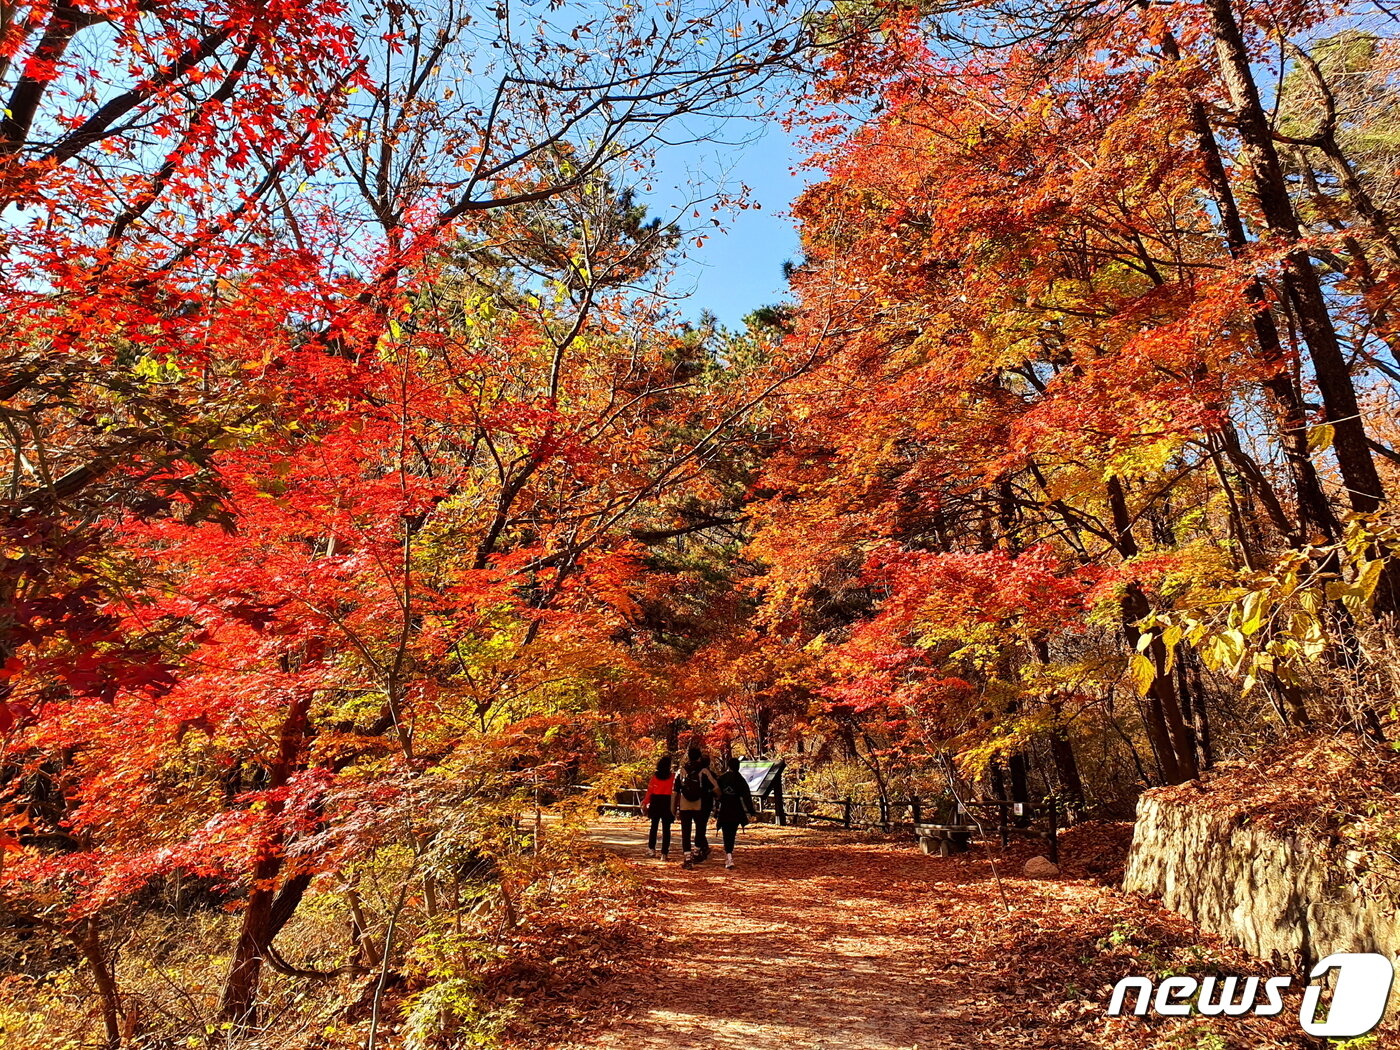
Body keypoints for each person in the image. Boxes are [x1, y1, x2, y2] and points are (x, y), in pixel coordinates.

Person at [675, 746, 719, 866]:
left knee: (686, 831)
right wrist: (719, 798)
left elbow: (675, 792)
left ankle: (687, 857)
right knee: (700, 829)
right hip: (698, 805)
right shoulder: (704, 771)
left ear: (688, 757)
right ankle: (696, 852)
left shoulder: (681, 771)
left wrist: (672, 808)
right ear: (699, 757)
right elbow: (715, 787)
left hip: (684, 805)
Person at [714, 756, 756, 869]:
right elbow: (746, 796)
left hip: (724, 809)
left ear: (728, 766)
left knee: (726, 832)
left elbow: (716, 793)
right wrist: (751, 811)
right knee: (732, 833)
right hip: (736, 810)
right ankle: (729, 854)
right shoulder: (740, 779)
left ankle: (728, 855)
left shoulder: (722, 778)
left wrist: (716, 808)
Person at [640, 755, 675, 859]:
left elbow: (650, 791)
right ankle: (664, 853)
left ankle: (651, 849)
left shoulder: (655, 777)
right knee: (666, 829)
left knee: (654, 827)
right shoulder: (672, 777)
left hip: (655, 802)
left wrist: (646, 802)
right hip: (667, 802)